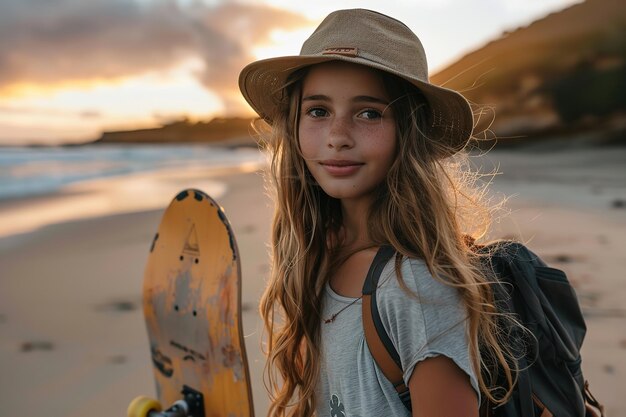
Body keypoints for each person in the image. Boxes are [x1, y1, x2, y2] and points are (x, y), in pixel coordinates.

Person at [238, 9, 517, 417]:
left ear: (408, 131)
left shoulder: (415, 288)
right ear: (293, 126)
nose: (337, 137)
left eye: (369, 112)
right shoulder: (317, 259)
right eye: (318, 111)